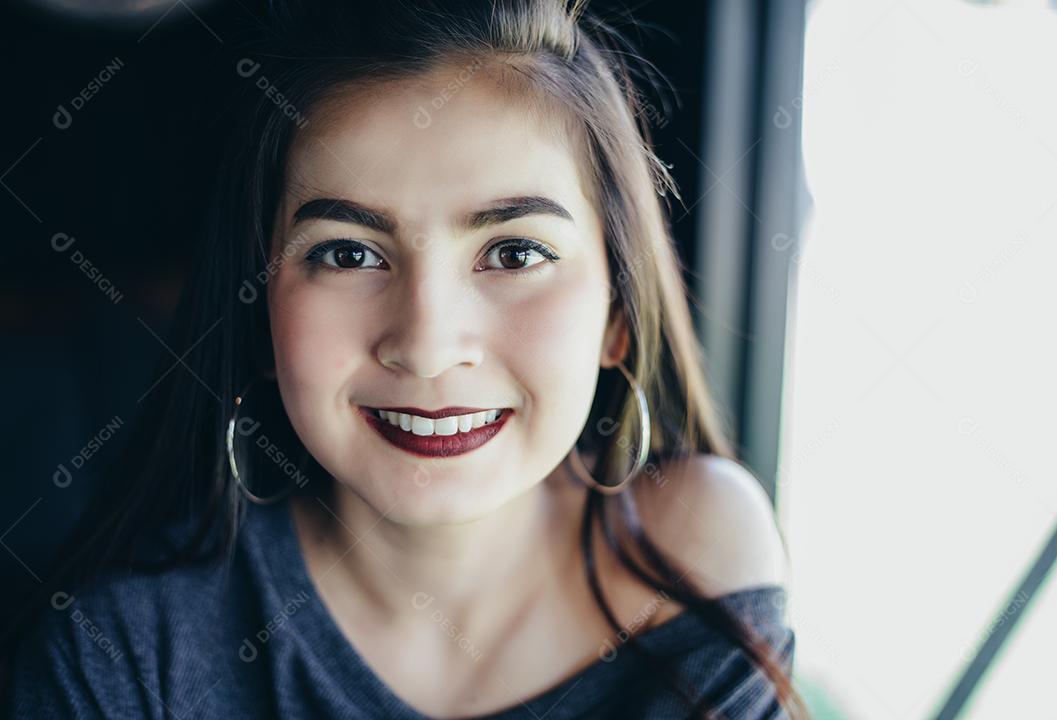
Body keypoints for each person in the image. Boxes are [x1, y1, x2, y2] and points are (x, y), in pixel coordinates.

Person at [1, 1, 809, 717]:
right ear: (258, 307)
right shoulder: (123, 657)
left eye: (515, 252)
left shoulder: (694, 559)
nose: (425, 345)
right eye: (349, 255)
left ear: (618, 316)